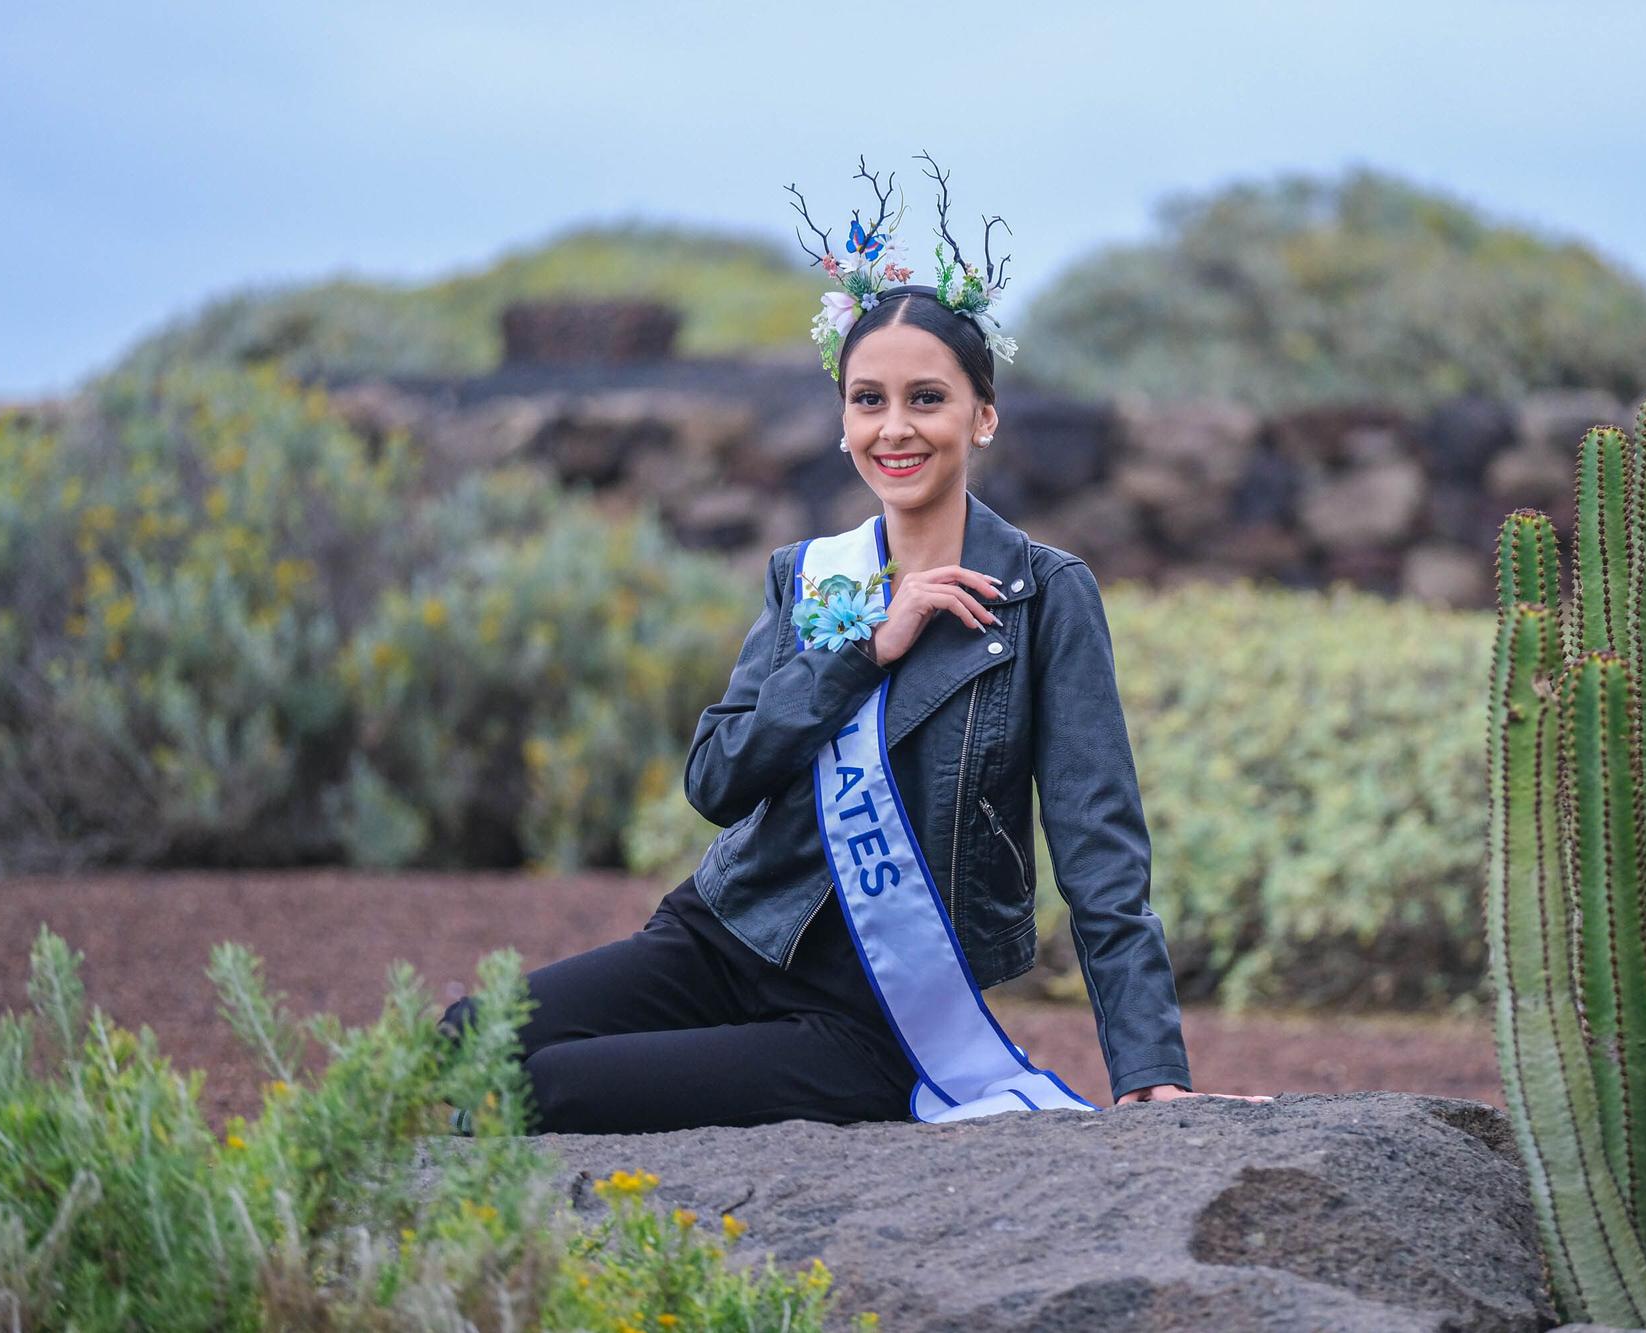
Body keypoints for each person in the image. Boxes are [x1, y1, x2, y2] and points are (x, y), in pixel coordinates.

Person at [438, 154, 1273, 1134]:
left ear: (984, 415)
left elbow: (1099, 853)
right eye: (867, 399)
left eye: (927, 398)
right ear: (841, 422)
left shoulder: (1044, 597)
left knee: (544, 1090)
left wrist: (1148, 1073)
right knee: (459, 1044)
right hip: (721, 938)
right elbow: (716, 781)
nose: (895, 428)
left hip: (861, 1020)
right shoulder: (813, 576)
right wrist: (861, 650)